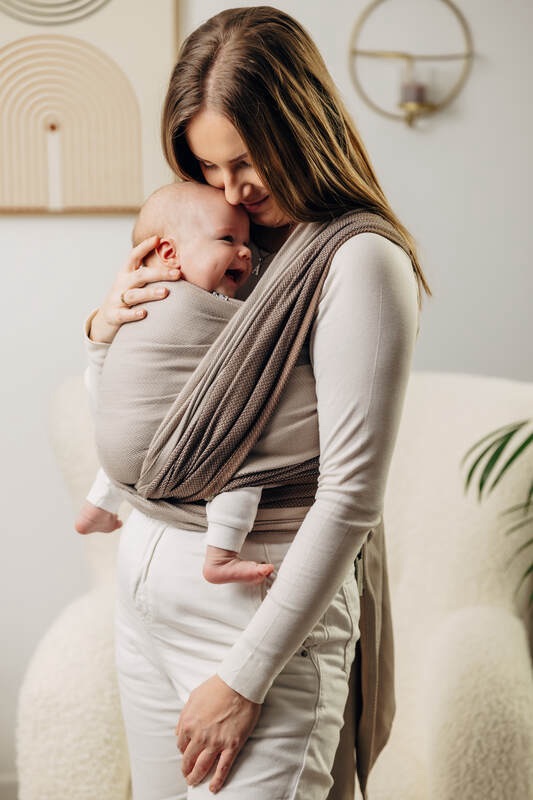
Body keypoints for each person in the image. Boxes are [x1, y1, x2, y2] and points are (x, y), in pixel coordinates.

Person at [84, 7, 430, 800]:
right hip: (146, 591)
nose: (231, 189)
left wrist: (244, 676)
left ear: (300, 129)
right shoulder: (221, 240)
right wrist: (101, 325)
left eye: (246, 161)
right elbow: (153, 380)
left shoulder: (358, 260)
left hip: (252, 614)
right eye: (207, 167)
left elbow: (349, 495)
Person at [77, 180, 300, 585]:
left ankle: (99, 505)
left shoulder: (139, 297)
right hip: (151, 446)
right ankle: (221, 554)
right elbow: (266, 338)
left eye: (247, 243)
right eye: (228, 239)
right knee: (244, 456)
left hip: (115, 450)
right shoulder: (201, 306)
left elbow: (106, 374)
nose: (245, 253)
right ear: (169, 254)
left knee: (130, 411)